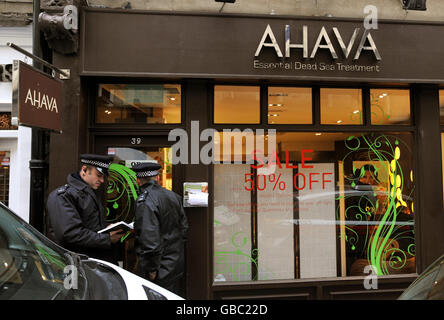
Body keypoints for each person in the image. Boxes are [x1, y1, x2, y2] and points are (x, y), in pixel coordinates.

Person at [46, 154, 125, 263]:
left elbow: (90, 226)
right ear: (84, 170)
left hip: (92, 262)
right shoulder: (63, 196)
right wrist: (107, 238)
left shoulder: (88, 193)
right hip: (78, 264)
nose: (102, 180)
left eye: (103, 176)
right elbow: (70, 234)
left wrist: (107, 229)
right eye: (98, 175)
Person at [132, 162, 188, 295]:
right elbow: (184, 229)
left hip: (158, 269)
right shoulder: (173, 196)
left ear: (137, 180)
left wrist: (151, 269)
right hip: (174, 264)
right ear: (157, 178)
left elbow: (149, 239)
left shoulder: (145, 201)